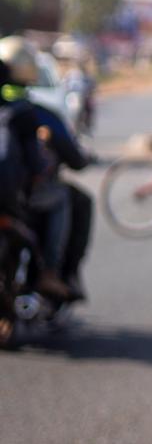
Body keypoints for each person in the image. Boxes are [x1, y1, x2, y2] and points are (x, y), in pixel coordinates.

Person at [0, 44, 81, 301]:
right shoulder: (33, 113)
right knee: (63, 198)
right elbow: (66, 158)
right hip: (15, 199)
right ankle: (50, 273)